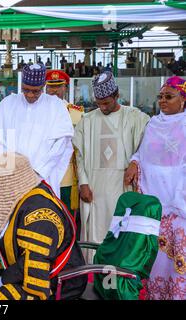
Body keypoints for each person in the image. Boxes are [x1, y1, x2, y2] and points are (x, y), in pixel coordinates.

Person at [0, 152, 87, 300]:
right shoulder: (23, 196)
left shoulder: (39, 213)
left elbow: (32, 262)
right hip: (29, 265)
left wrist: (1, 281)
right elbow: (9, 237)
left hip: (56, 282)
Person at [72, 71, 150, 262]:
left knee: (121, 229)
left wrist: (135, 162)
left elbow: (147, 146)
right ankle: (94, 272)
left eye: (106, 102)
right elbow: (80, 156)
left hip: (122, 185)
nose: (102, 107)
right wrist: (83, 183)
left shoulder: (135, 117)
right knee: (96, 233)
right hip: (95, 186)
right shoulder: (87, 120)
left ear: (117, 95)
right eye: (98, 102)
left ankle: (119, 271)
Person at [124, 76, 186, 300]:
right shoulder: (153, 123)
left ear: (183, 100)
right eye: (160, 96)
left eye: (169, 97)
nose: (163, 101)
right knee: (156, 257)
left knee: (178, 258)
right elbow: (143, 153)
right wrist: (134, 162)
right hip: (154, 202)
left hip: (178, 202)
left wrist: (179, 198)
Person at [0, 63, 74, 197]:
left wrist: (38, 172)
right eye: (26, 90)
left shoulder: (56, 106)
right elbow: (0, 139)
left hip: (44, 178)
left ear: (43, 87)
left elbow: (61, 144)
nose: (30, 95)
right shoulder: (7, 104)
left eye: (35, 91)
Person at [45, 70, 84, 237]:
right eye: (50, 87)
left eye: (58, 87)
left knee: (67, 218)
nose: (54, 91)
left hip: (67, 176)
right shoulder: (38, 112)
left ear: (65, 88)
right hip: (43, 173)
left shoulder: (76, 113)